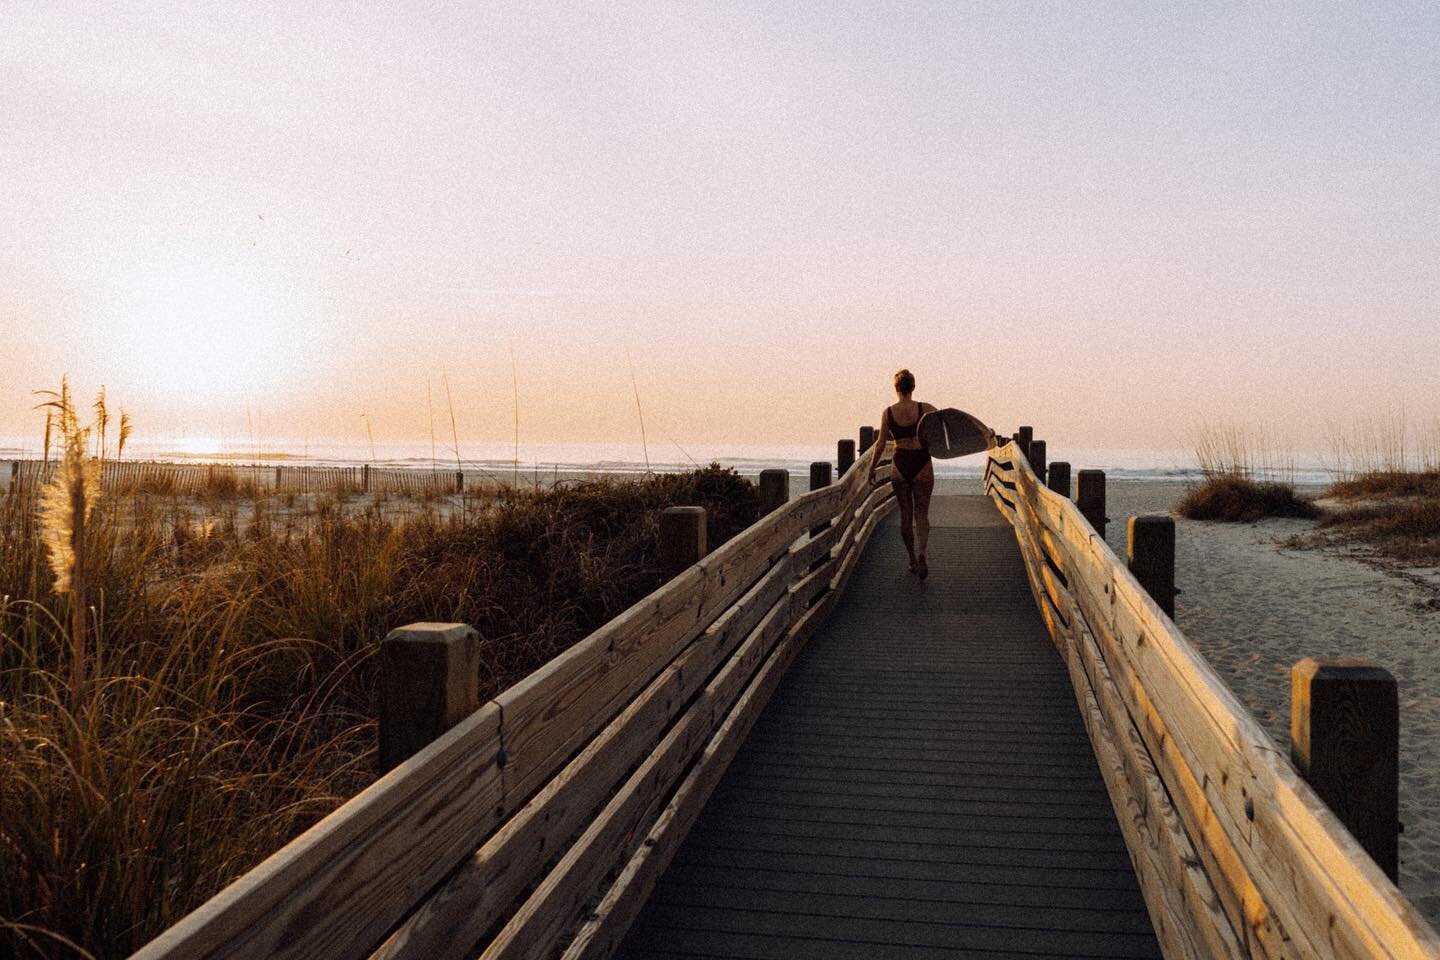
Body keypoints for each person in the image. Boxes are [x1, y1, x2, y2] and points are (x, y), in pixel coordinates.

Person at [867, 368, 933, 579]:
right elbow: (945, 427)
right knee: (921, 515)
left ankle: (912, 560)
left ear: (896, 388)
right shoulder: (926, 408)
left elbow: (880, 444)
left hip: (900, 463)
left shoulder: (888, 413)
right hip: (921, 461)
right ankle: (923, 553)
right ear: (913, 387)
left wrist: (871, 468)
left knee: (906, 515)